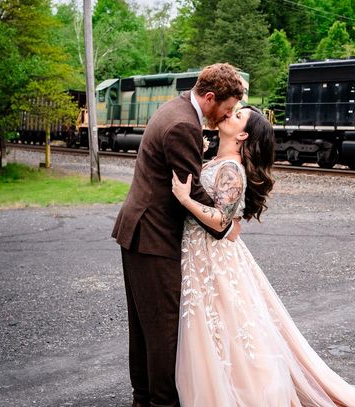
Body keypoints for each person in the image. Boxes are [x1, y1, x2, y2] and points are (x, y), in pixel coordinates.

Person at [171, 106, 355, 406]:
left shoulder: (232, 169)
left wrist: (185, 200)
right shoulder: (219, 161)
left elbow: (222, 223)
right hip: (201, 254)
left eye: (236, 116)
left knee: (221, 329)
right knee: (215, 329)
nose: (229, 114)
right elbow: (231, 226)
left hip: (213, 259)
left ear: (243, 134)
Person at [111, 63, 245, 407]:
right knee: (163, 330)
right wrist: (225, 225)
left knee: (144, 328)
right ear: (210, 97)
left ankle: (143, 399)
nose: (227, 116)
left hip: (140, 231)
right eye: (227, 109)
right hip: (153, 236)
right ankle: (160, 403)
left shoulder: (175, 107)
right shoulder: (184, 124)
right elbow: (188, 195)